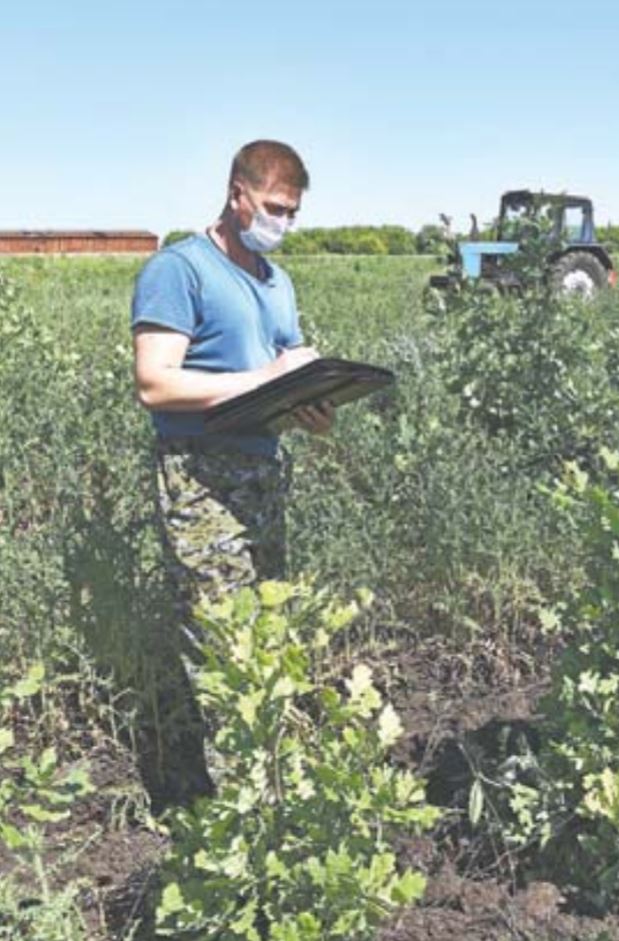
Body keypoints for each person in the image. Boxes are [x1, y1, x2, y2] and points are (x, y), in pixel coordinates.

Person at [129, 139, 333, 811]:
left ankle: (263, 791)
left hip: (262, 473)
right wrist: (262, 379)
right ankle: (237, 809)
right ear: (236, 192)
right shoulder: (178, 269)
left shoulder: (277, 280)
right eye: (274, 207)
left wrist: (309, 395)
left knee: (267, 635)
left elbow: (283, 360)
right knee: (222, 641)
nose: (283, 221)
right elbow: (155, 384)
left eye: (293, 212)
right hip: (200, 476)